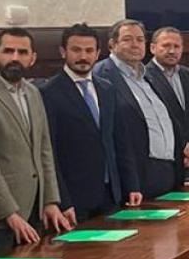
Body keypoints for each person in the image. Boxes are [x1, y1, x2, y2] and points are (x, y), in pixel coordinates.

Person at [0, 28, 66, 259]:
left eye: (22, 52)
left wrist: (50, 200)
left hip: (34, 209)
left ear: (32, 57)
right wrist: (9, 213)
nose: (15, 57)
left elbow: (44, 150)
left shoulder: (33, 92)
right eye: (8, 51)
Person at [41, 23, 141, 222]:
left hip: (111, 194)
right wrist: (61, 199)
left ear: (98, 53)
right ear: (63, 52)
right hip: (74, 198)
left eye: (89, 51)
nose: (83, 57)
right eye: (76, 50)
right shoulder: (48, 93)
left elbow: (120, 141)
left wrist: (132, 184)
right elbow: (49, 152)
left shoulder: (106, 89)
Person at [93, 19, 184, 198]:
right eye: (128, 39)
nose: (135, 45)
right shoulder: (101, 76)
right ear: (112, 44)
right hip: (133, 176)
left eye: (140, 39)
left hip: (167, 170)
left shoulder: (149, 76)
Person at [145, 26, 189, 178]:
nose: (172, 51)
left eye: (176, 46)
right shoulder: (145, 77)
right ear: (153, 48)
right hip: (164, 160)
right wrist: (183, 147)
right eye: (166, 45)